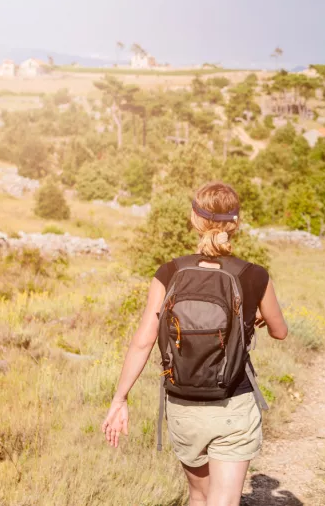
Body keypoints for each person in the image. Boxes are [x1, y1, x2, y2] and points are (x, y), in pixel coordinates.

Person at [102, 182, 288, 506]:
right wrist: (255, 314)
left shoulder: (169, 272)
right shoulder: (254, 275)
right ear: (237, 223)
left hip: (182, 404)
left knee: (199, 496)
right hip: (233, 403)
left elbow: (142, 342)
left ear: (193, 218)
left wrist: (120, 399)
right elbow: (281, 331)